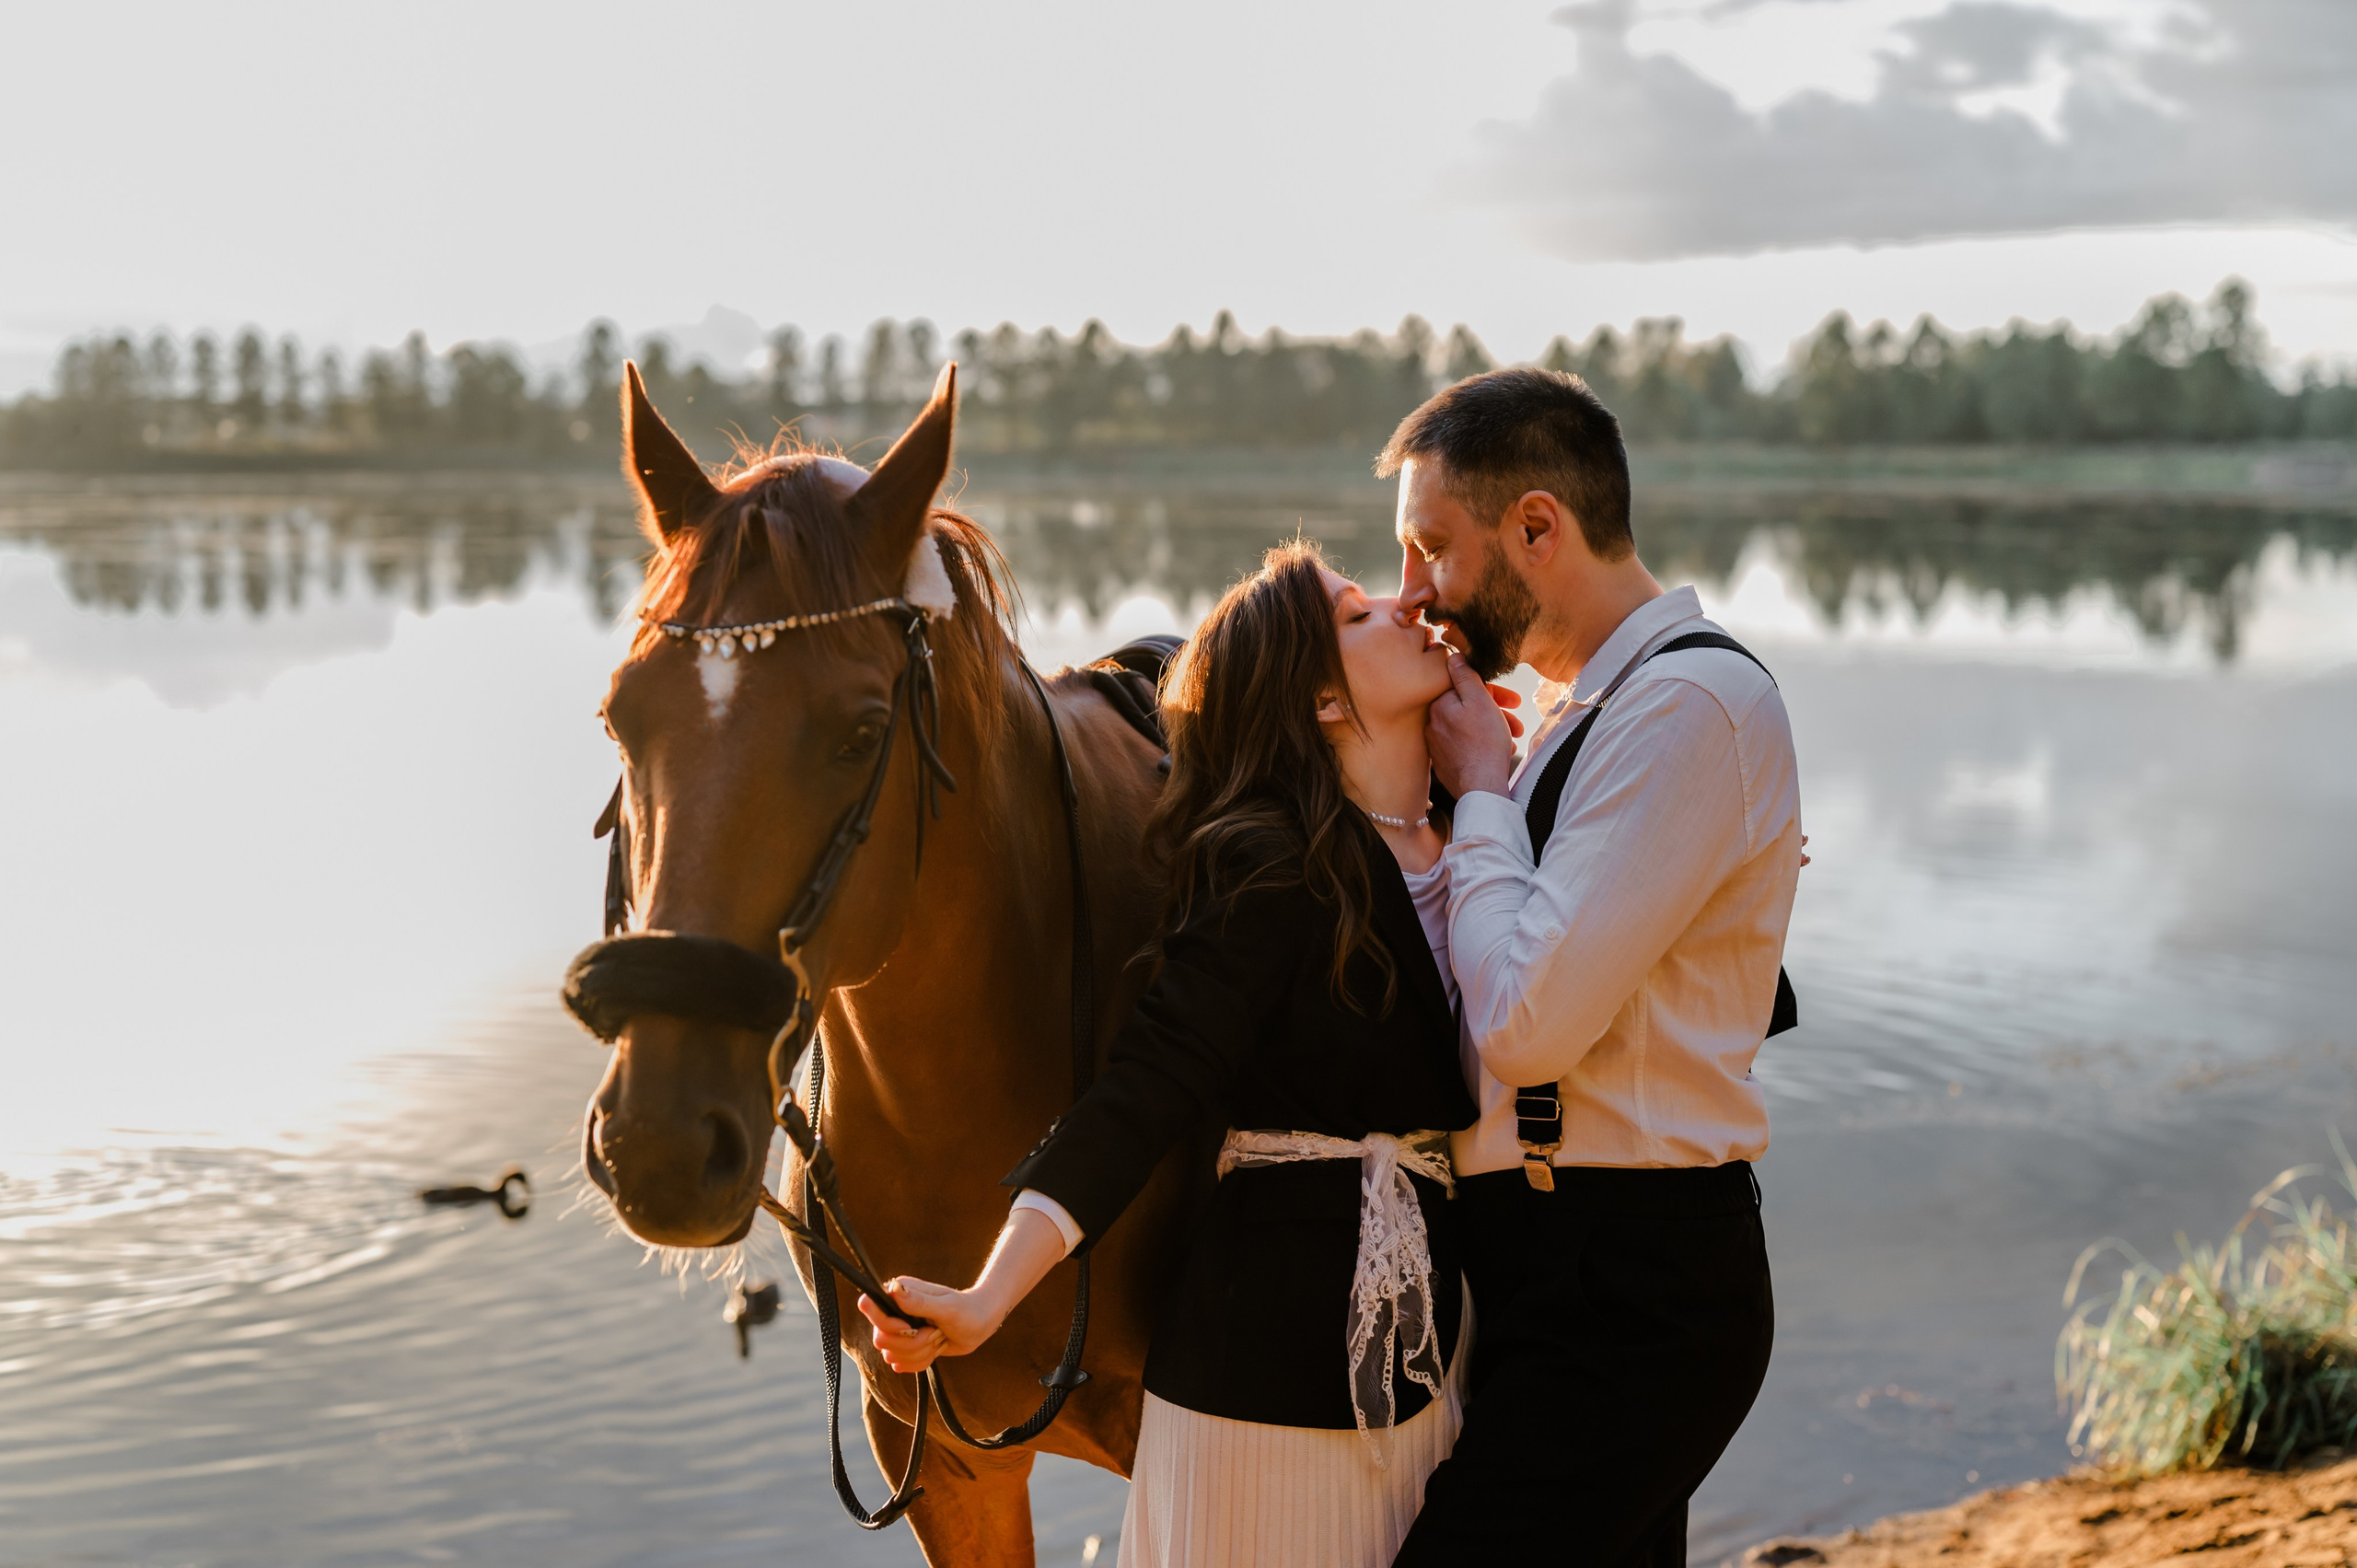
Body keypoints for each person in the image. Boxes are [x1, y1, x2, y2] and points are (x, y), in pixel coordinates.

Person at [858, 541, 1486, 1568]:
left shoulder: (1484, 830)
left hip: (1428, 1351)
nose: (1401, 605)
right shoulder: (1269, 865)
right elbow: (1141, 1093)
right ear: (1324, 700)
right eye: (1357, 615)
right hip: (1263, 1374)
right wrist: (984, 1297)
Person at [1385, 368, 1801, 1566]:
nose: (1414, 590)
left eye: (1433, 547)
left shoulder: (1687, 708)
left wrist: (1481, 800)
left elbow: (1522, 1024)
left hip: (1632, 1282)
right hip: (1560, 1262)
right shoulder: (1590, 711)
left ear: (1536, 527)